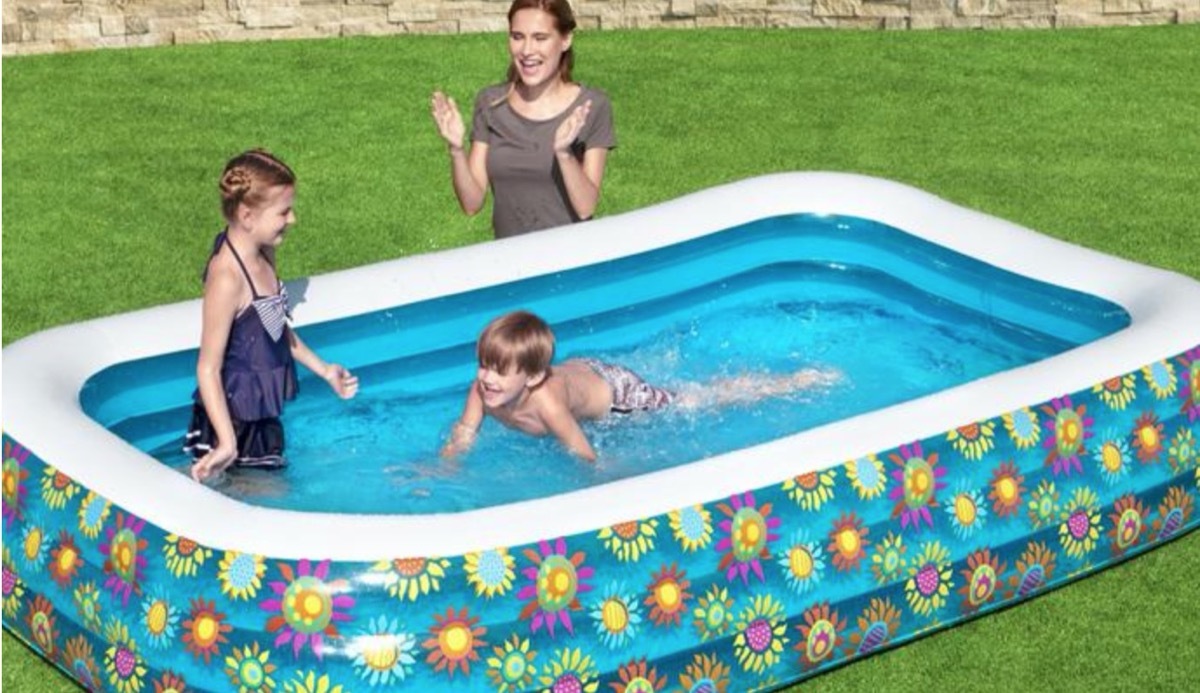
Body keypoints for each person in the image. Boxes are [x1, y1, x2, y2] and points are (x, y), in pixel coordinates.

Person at [442, 311, 840, 462]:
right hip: (581, 372)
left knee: (693, 402)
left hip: (617, 394)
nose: (487, 378)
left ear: (530, 377)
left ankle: (787, 383)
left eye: (498, 371)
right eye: (483, 366)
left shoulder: (547, 404)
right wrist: (442, 467)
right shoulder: (482, 392)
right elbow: (463, 435)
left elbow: (582, 453)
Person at [185, 149, 359, 483]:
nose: (292, 220)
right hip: (230, 420)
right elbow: (207, 367)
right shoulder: (227, 277)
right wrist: (226, 442)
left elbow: (273, 326)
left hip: (260, 414)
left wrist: (324, 370)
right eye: (284, 212)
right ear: (248, 216)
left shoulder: (264, 252)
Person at [430, 0, 616, 239]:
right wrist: (456, 149)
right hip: (510, 261)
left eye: (540, 38)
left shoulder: (592, 105)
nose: (527, 50)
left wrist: (564, 153)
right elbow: (471, 203)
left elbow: (586, 207)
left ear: (566, 40)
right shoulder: (491, 103)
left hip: (570, 262)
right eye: (518, 36)